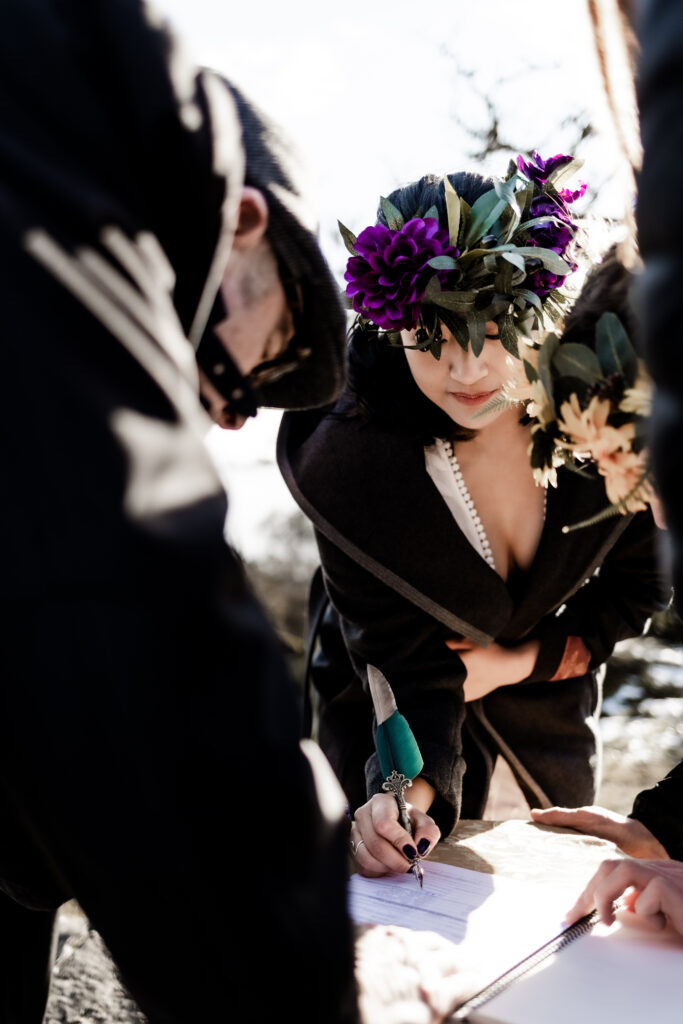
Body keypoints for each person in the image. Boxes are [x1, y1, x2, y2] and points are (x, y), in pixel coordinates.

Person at [0, 3, 365, 1022]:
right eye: (270, 340)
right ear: (241, 220)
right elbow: (119, 606)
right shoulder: (65, 104)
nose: (234, 402)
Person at [276, 156, 669, 881]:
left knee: (563, 895)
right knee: (383, 891)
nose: (465, 372)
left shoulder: (607, 417)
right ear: (392, 326)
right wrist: (406, 798)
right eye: (431, 340)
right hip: (384, 688)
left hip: (549, 687)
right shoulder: (349, 469)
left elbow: (638, 591)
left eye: (491, 332)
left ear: (543, 311)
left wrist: (514, 664)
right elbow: (404, 667)